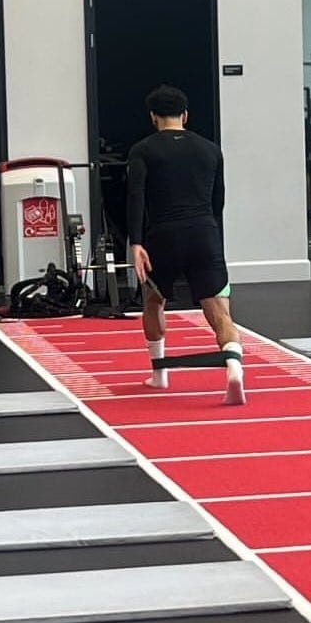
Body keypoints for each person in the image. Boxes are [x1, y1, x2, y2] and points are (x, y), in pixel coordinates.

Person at [125, 84, 245, 406]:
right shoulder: (211, 150)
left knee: (154, 301)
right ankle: (234, 368)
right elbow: (218, 202)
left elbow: (135, 198)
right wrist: (212, 236)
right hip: (204, 232)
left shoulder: (142, 150)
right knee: (218, 310)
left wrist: (136, 243)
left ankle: (159, 375)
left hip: (163, 236)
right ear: (185, 115)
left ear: (153, 117)